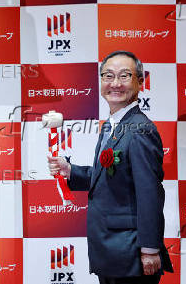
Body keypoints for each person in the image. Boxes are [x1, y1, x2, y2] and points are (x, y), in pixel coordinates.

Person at [47, 51, 173, 284]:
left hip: (130, 251)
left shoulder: (140, 130)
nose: (115, 83)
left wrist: (149, 249)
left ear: (140, 81)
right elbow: (110, 178)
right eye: (108, 76)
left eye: (125, 76)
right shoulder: (112, 126)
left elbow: (150, 193)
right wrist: (71, 170)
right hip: (111, 251)